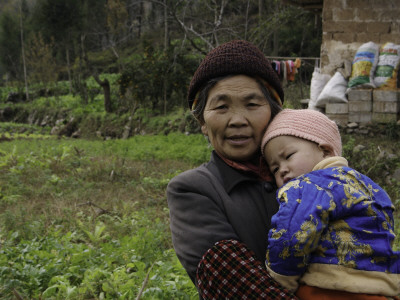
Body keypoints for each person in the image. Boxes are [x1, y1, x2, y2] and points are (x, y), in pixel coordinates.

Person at [166, 40, 298, 299]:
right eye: (222, 106)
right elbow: (237, 286)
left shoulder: (309, 172)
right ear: (202, 121)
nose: (237, 120)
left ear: (275, 113)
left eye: (252, 104)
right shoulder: (192, 191)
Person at [261, 108, 400, 299]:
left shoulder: (307, 185)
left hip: (329, 288)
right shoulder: (370, 187)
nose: (283, 170)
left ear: (325, 151)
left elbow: (293, 235)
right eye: (275, 168)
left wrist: (280, 279)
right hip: (382, 287)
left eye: (288, 156)